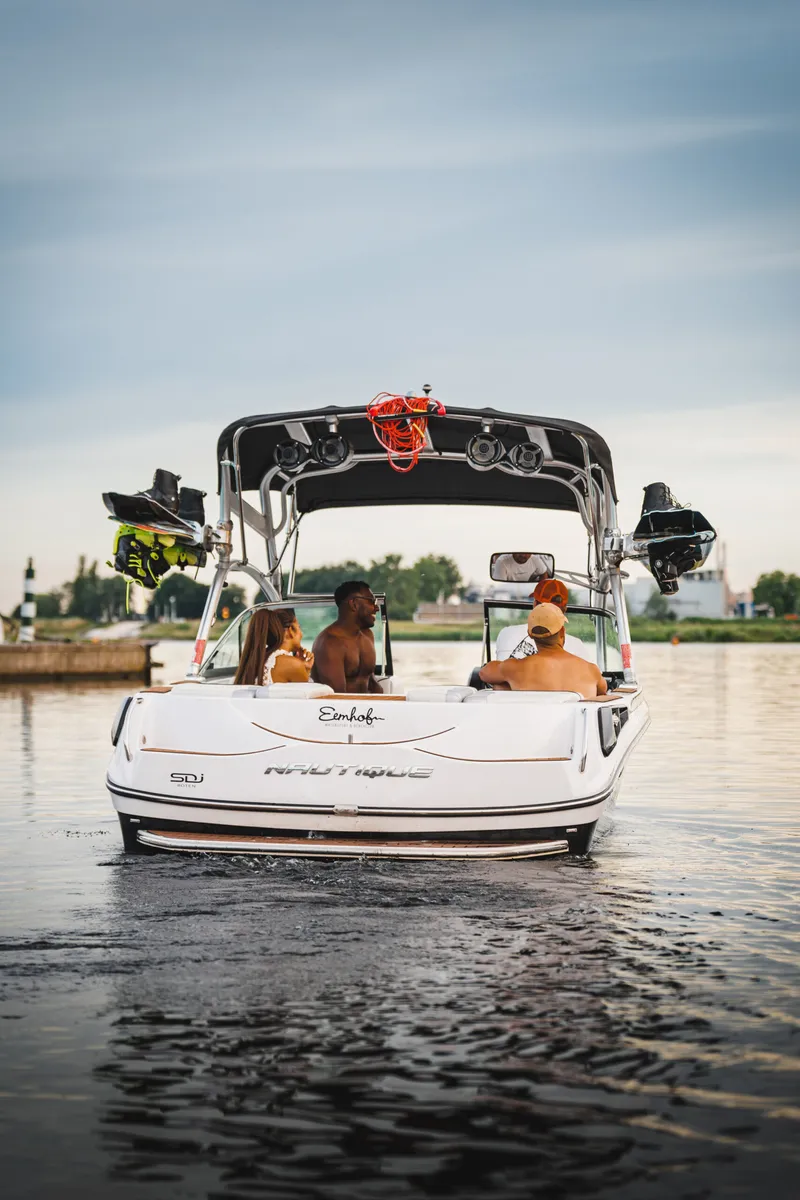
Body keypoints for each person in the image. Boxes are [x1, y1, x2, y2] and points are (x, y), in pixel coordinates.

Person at [480, 602, 608, 699]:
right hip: (576, 726)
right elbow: (603, 691)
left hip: (535, 725)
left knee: (501, 686)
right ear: (562, 631)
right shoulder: (591, 670)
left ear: (530, 634)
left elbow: (484, 673)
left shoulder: (514, 668)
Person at [312, 580, 381, 693]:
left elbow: (371, 682)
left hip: (366, 703)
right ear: (354, 604)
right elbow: (337, 697)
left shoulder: (367, 635)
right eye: (372, 601)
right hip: (342, 704)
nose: (376, 608)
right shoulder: (329, 644)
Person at [234, 607, 314, 686]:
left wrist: (304, 669)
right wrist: (301, 667)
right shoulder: (293, 665)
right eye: (299, 627)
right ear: (290, 631)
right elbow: (309, 693)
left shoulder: (257, 659)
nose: (301, 634)